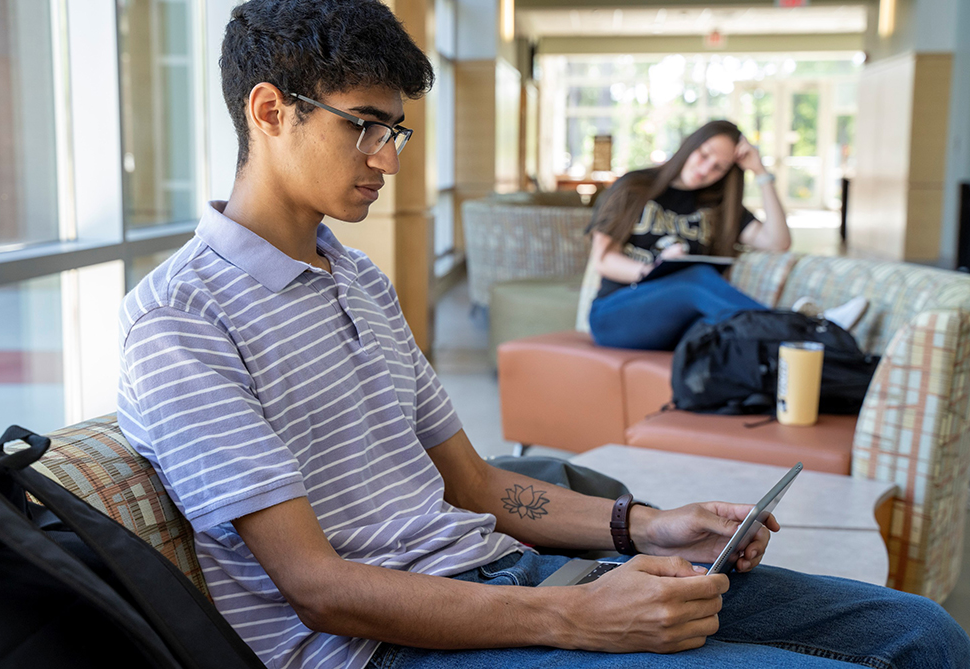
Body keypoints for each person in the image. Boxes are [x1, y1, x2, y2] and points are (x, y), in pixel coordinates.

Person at [116, 2, 969, 668]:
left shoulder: (359, 280)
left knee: (922, 634)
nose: (390, 158)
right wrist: (576, 615)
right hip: (393, 648)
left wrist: (649, 526)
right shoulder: (181, 319)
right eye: (363, 126)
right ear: (270, 111)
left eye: (396, 130)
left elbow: (479, 484)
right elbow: (321, 590)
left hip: (505, 581)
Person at [586, 121, 866, 351]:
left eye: (719, 166)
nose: (706, 169)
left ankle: (810, 343)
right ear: (690, 146)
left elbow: (778, 243)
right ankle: (813, 329)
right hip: (616, 314)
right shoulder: (635, 187)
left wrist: (760, 171)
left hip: (677, 323)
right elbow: (603, 259)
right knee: (694, 278)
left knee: (728, 330)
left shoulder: (718, 206)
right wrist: (656, 270)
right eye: (704, 155)